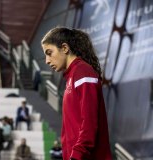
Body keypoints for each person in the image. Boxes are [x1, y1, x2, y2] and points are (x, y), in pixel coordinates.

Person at [41, 27, 112, 160]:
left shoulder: (82, 72)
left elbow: (89, 122)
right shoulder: (72, 76)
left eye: (49, 53)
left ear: (65, 48)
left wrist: (77, 155)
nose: (47, 60)